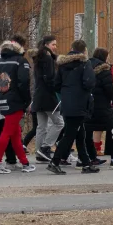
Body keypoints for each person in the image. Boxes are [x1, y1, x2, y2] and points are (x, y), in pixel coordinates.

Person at [47, 40, 97, 175]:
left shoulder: (63, 65)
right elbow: (89, 82)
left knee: (80, 134)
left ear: (71, 48)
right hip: (80, 102)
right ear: (84, 50)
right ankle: (55, 161)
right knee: (69, 134)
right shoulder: (85, 64)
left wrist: (66, 92)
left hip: (67, 103)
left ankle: (86, 163)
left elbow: (56, 84)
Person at [0, 37, 35, 174]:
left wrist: (2, 95)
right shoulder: (20, 61)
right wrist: (26, 100)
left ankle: (24, 162)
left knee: (15, 133)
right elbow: (23, 82)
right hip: (16, 101)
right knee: (7, 132)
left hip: (4, 99)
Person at [83, 47, 113, 167]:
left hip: (88, 105)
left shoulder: (86, 67)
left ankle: (90, 156)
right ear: (104, 57)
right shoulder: (105, 70)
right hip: (103, 105)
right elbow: (109, 89)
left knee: (87, 131)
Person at [31, 35, 63, 163]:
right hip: (48, 97)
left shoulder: (38, 58)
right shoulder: (48, 58)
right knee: (59, 123)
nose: (55, 47)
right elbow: (49, 78)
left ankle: (39, 153)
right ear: (46, 45)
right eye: (53, 44)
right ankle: (45, 147)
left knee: (41, 126)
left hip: (38, 96)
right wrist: (56, 88)